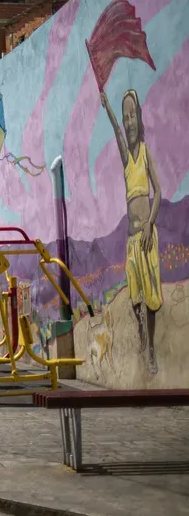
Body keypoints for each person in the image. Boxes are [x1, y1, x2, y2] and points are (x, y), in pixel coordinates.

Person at [102, 88, 163, 374]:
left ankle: (149, 349)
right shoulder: (127, 158)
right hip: (132, 241)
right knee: (136, 299)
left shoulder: (147, 153)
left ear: (139, 117)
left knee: (151, 301)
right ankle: (142, 346)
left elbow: (159, 192)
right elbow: (115, 130)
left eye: (131, 115)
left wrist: (150, 222)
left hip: (148, 237)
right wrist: (107, 107)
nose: (128, 122)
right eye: (124, 116)